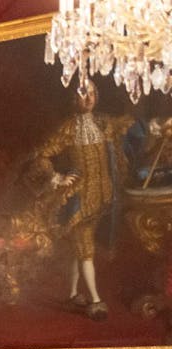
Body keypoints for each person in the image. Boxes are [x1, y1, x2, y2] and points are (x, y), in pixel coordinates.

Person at [31, 80, 137, 321]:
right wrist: (58, 178)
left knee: (78, 249)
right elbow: (42, 156)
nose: (88, 98)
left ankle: (72, 293)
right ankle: (96, 300)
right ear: (73, 99)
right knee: (85, 248)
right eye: (82, 94)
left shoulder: (103, 123)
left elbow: (128, 127)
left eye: (91, 92)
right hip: (79, 200)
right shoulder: (68, 129)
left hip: (104, 196)